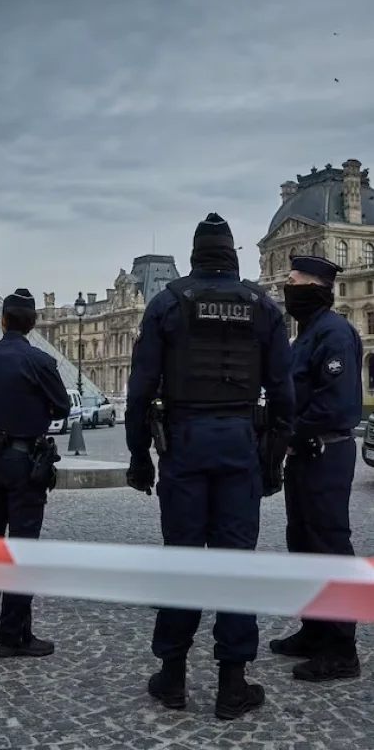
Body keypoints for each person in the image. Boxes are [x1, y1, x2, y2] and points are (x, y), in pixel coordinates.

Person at [125, 214, 295, 720]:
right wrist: (274, 458)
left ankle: (172, 677)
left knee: (181, 560)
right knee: (235, 564)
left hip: (184, 444)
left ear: (196, 255)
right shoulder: (263, 306)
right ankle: (232, 683)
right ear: (234, 255)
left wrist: (139, 458)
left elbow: (139, 394)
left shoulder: (167, 303)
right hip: (241, 444)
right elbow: (284, 394)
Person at [270, 255, 362, 681]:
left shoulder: (335, 333)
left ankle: (342, 650)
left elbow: (338, 404)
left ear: (315, 287)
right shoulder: (307, 334)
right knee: (303, 544)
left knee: (329, 547)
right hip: (305, 454)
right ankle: (313, 630)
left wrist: (294, 431)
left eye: (293, 281)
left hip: (325, 451)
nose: (287, 288)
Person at [0, 288, 70, 657]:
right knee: (21, 549)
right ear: (33, 323)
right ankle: (13, 635)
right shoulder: (39, 360)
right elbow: (61, 407)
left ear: (3, 320)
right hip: (25, 461)